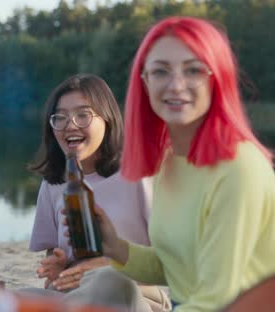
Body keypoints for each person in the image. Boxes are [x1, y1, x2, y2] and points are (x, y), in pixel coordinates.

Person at [93, 16, 275, 311]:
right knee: (105, 283)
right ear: (145, 81)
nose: (176, 85)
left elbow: (217, 300)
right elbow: (179, 267)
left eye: (193, 70)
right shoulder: (171, 162)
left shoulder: (239, 168)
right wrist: (116, 247)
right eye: (161, 71)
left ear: (218, 77)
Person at [27, 74, 170, 312]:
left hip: (133, 293)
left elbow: (170, 260)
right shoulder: (54, 184)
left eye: (83, 115)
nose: (70, 125)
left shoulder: (139, 174)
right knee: (8, 297)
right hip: (71, 295)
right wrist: (59, 263)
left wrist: (105, 265)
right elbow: (55, 251)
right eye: (60, 117)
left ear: (108, 119)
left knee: (108, 280)